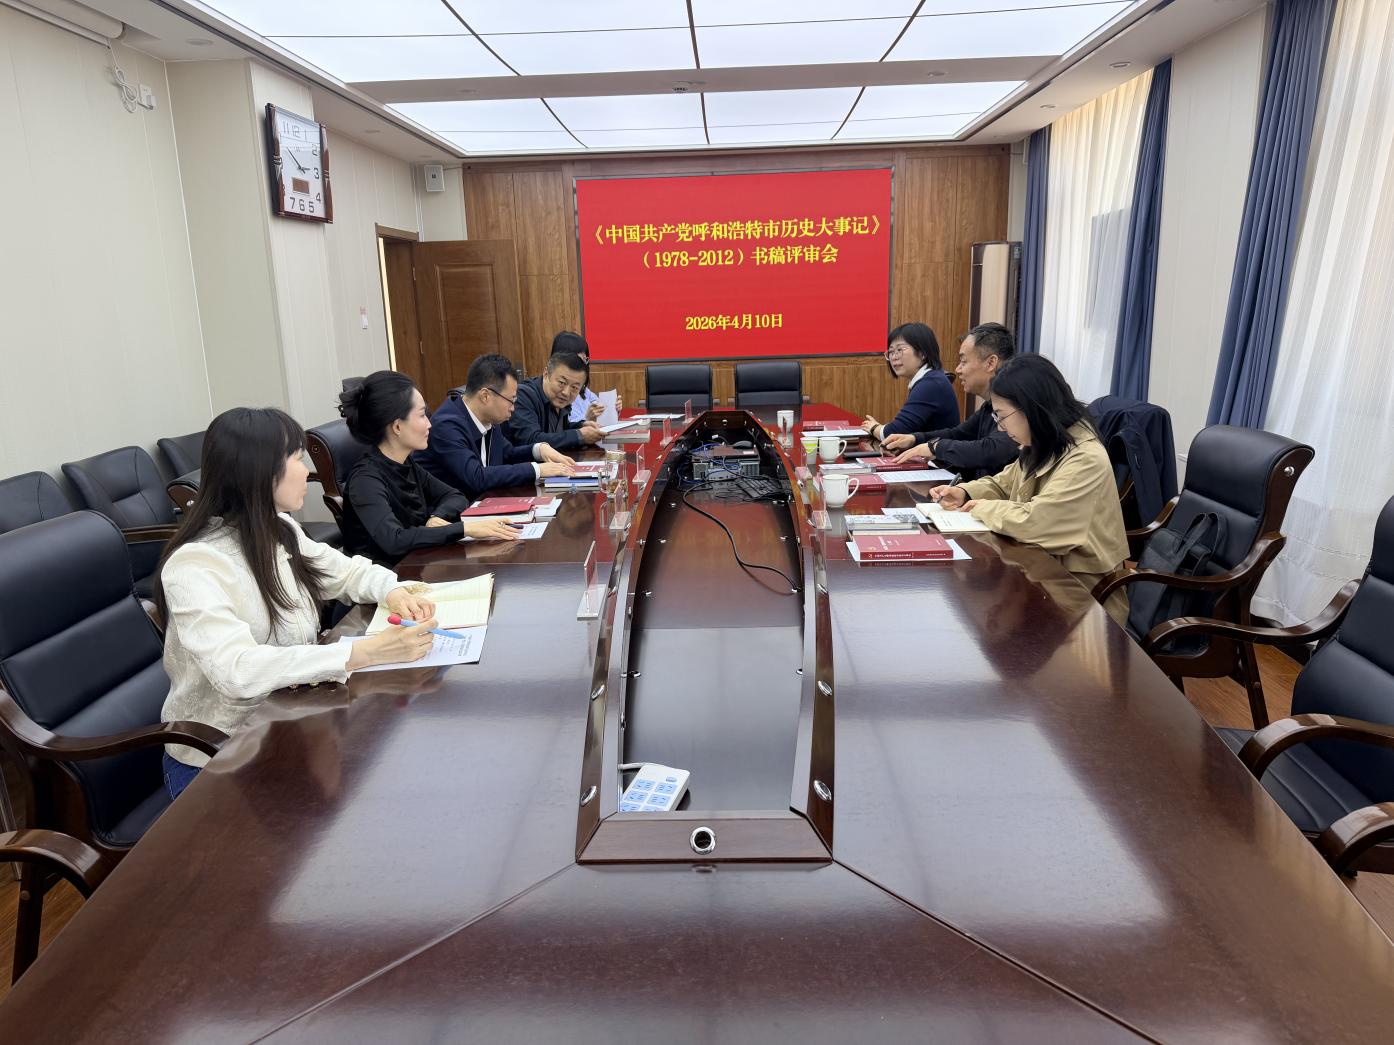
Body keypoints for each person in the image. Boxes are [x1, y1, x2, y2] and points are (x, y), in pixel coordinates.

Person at [155, 407, 441, 799]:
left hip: (290, 722)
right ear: (259, 471)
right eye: (295, 458)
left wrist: (393, 590)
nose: (307, 471)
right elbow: (237, 671)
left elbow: (346, 573)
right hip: (219, 756)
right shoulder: (195, 566)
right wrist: (364, 652)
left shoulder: (279, 528)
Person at [927, 355, 1130, 625]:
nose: (1000, 427)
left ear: (1032, 408)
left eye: (1002, 416)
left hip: (1082, 601)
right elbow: (1004, 483)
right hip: (1042, 577)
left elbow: (1037, 523)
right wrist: (966, 492)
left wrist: (983, 508)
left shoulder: (1085, 458)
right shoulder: (1044, 442)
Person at [338, 370, 520, 566]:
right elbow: (394, 540)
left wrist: (436, 518)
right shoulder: (365, 480)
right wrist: (465, 529)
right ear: (397, 427)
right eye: (422, 415)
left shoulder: (406, 464)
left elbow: (455, 496)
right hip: (383, 578)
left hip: (418, 564)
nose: (429, 424)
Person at [416, 353, 576, 499]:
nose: (513, 408)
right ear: (485, 396)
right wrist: (537, 470)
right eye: (511, 400)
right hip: (448, 515)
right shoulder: (447, 426)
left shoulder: (489, 418)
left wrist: (539, 449)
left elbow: (508, 454)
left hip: (482, 506)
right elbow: (476, 478)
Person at [882, 323, 1019, 480]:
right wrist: (914, 439)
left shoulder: (1016, 404)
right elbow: (958, 434)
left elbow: (992, 450)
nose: (958, 369)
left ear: (991, 363)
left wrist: (935, 447)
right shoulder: (989, 405)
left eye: (963, 362)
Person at [861, 322, 959, 441]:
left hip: (939, 453)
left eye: (899, 350)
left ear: (922, 353)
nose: (894, 357)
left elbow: (895, 432)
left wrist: (874, 428)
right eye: (891, 352)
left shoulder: (930, 384)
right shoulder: (930, 379)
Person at [506, 345, 605, 451]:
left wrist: (581, 426)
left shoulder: (559, 400)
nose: (566, 393)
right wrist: (579, 435)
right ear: (546, 374)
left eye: (574, 387)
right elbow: (532, 440)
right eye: (562, 383)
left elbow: (556, 431)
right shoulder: (524, 395)